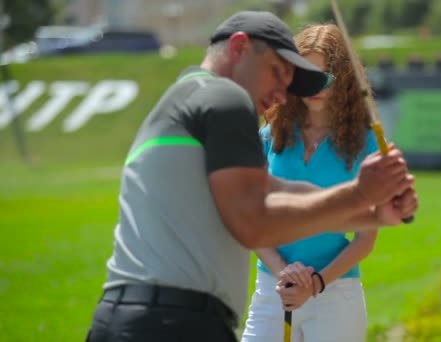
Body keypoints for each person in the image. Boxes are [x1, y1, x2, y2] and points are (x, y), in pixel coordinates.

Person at [85, 11, 418, 342]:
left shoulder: (187, 96)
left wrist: (373, 212)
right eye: (277, 74)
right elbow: (254, 220)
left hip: (134, 316)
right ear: (239, 48)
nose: (280, 94)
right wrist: (361, 197)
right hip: (170, 321)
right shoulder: (224, 99)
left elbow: (275, 189)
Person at [241, 24, 411, 342]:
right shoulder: (271, 133)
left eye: (326, 77)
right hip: (274, 288)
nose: (316, 87)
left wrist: (315, 284)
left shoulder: (367, 143)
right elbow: (251, 218)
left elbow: (365, 239)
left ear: (345, 80)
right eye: (307, 75)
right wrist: (283, 272)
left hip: (336, 293)